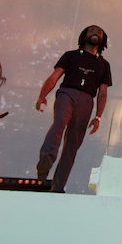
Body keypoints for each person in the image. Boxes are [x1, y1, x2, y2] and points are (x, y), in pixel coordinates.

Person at [35, 25, 112, 192]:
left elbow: (103, 92)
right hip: (67, 93)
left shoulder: (104, 65)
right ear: (84, 35)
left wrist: (98, 116)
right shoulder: (71, 56)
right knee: (60, 121)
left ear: (102, 39)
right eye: (92, 30)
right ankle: (46, 160)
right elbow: (54, 77)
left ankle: (58, 186)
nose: (95, 33)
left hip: (87, 100)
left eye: (99, 32)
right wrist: (42, 95)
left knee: (73, 144)